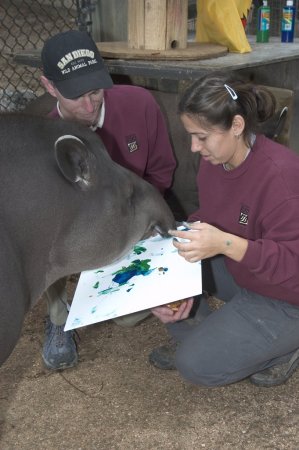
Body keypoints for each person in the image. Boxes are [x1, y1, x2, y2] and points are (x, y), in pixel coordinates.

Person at [149, 72, 299, 388]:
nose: (193, 147)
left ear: (237, 126)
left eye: (202, 136)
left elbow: (293, 266)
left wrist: (226, 243)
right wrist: (172, 285)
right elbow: (215, 214)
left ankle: (283, 345)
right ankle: (210, 327)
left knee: (194, 365)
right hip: (247, 271)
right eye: (190, 135)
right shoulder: (216, 160)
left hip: (288, 296)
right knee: (173, 253)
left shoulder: (282, 177)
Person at [39, 30, 176, 370]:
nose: (89, 106)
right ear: (49, 87)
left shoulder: (139, 103)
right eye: (76, 96)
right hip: (75, 228)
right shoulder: (41, 136)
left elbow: (161, 169)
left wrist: (140, 221)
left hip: (132, 216)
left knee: (127, 318)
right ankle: (58, 316)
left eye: (96, 91)